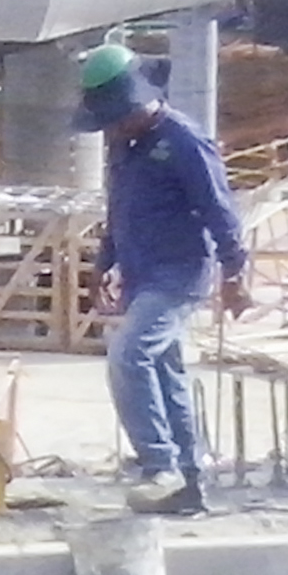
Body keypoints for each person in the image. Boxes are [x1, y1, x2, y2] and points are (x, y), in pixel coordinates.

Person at [73, 44, 249, 515]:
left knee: (128, 356)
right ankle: (189, 486)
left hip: (179, 273)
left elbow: (218, 207)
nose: (109, 130)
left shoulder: (184, 141)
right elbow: (119, 209)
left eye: (114, 119)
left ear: (138, 104)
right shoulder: (124, 147)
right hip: (140, 272)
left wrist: (235, 270)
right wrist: (104, 261)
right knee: (166, 374)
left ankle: (159, 466)